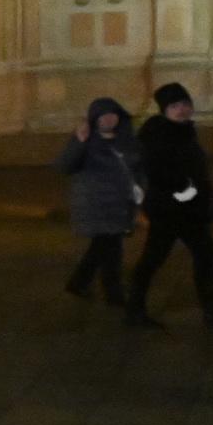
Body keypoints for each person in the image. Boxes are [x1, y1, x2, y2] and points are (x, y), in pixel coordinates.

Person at [128, 83, 213, 328]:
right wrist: (186, 190)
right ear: (164, 110)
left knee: (203, 252)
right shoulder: (158, 134)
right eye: (174, 106)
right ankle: (135, 310)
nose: (181, 110)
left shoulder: (183, 130)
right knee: (156, 257)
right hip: (169, 209)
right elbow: (157, 171)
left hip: (189, 209)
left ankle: (211, 311)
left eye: (184, 104)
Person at [57, 97, 142, 308]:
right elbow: (64, 166)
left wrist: (142, 188)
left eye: (112, 114)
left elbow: (139, 168)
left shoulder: (127, 140)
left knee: (101, 247)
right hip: (96, 204)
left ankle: (78, 282)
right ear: (94, 118)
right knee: (112, 250)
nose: (108, 119)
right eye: (103, 115)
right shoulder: (86, 139)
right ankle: (113, 295)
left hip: (121, 204)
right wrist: (79, 141)